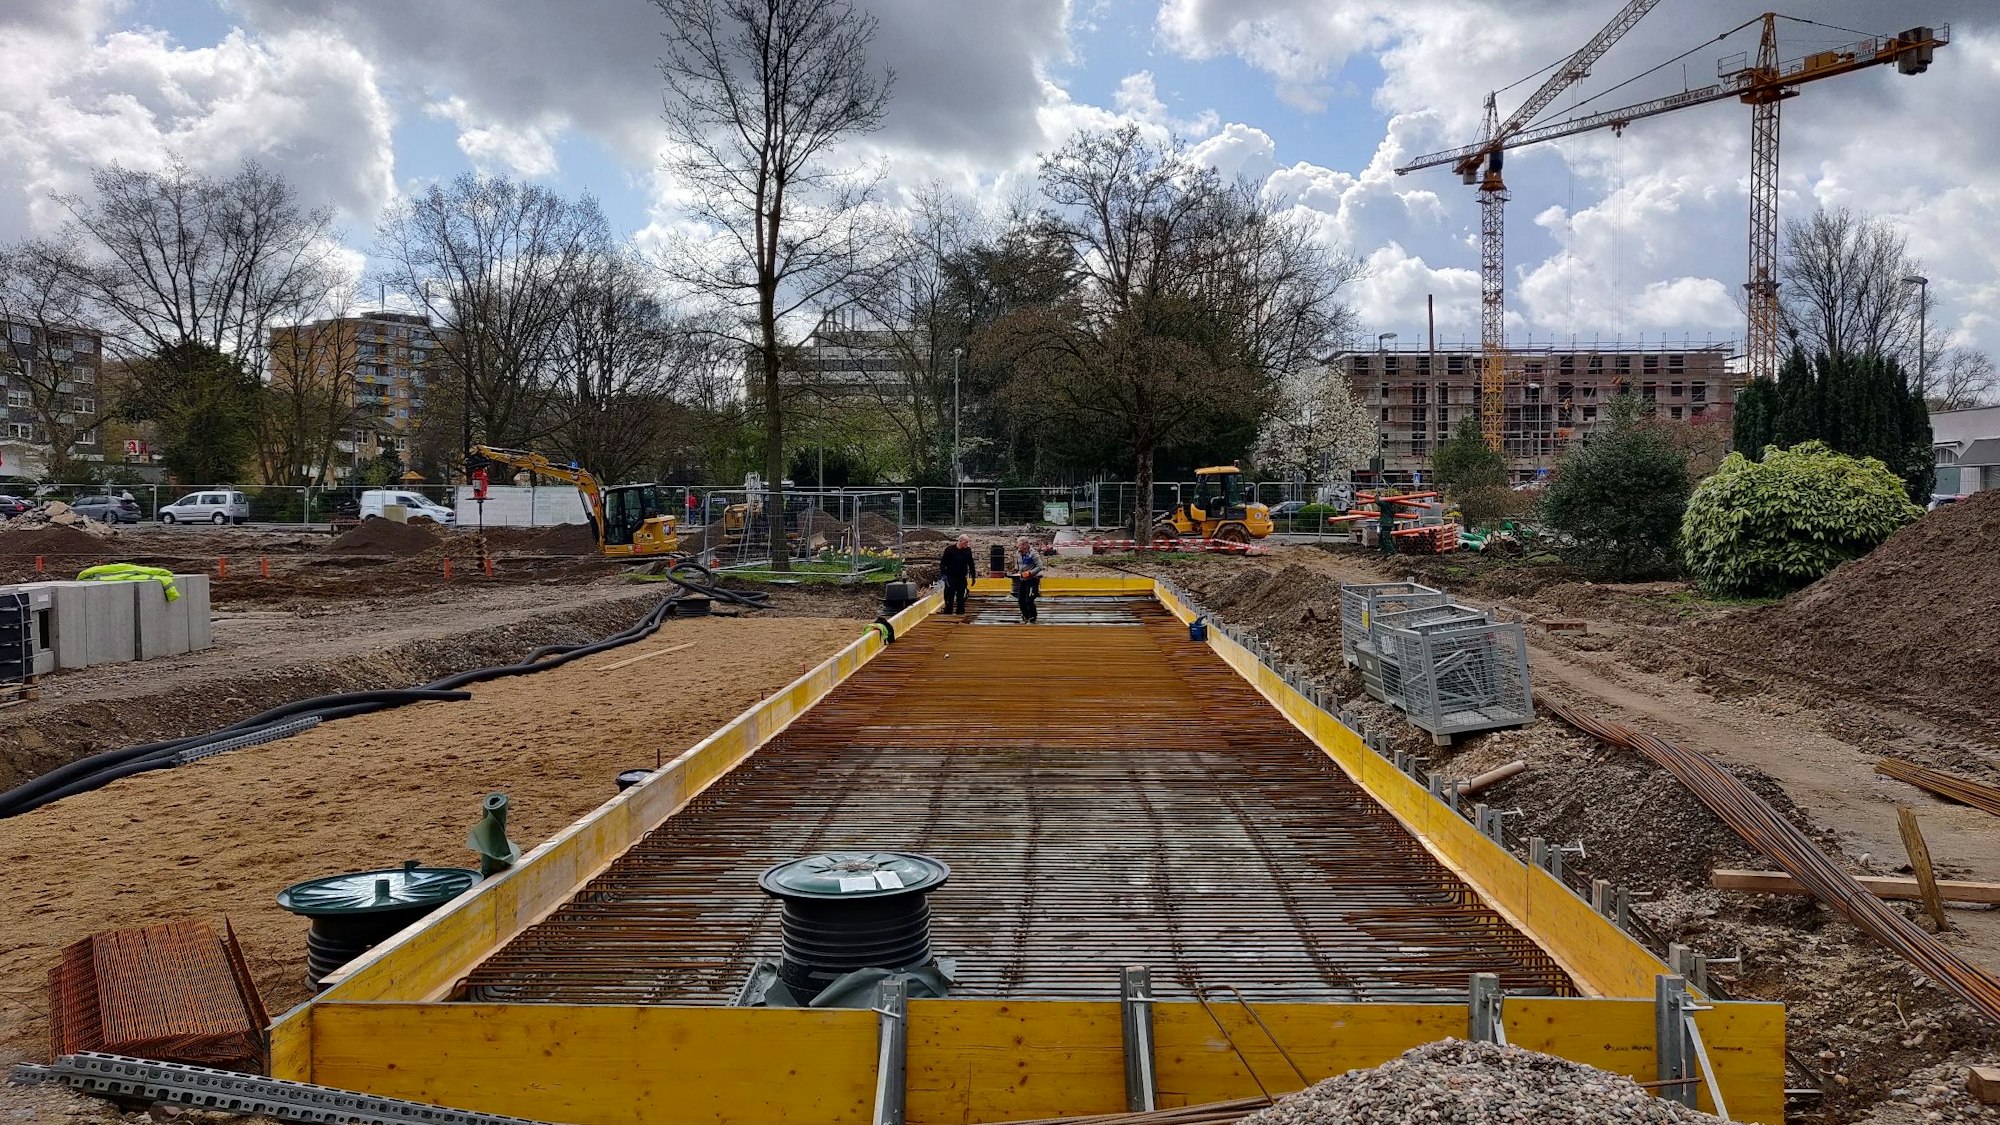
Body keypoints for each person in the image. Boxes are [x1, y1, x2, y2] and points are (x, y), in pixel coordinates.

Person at [939, 534, 976, 617]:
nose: (967, 544)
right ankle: (948, 614)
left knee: (961, 598)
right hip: (951, 577)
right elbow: (942, 564)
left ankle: (960, 615)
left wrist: (973, 576)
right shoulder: (949, 550)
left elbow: (971, 564)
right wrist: (943, 575)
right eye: (965, 542)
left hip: (962, 577)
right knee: (949, 597)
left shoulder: (967, 551)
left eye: (968, 542)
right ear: (960, 541)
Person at [1012, 537, 1044, 623]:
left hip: (1032, 580)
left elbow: (1040, 566)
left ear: (1025, 544)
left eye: (1019, 545)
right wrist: (1016, 569)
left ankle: (1032, 616)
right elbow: (1018, 564)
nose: (1018, 547)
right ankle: (1025, 615)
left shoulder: (1033, 554)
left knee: (1029, 599)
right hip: (1022, 579)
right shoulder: (1018, 553)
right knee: (1021, 600)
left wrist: (1030, 573)